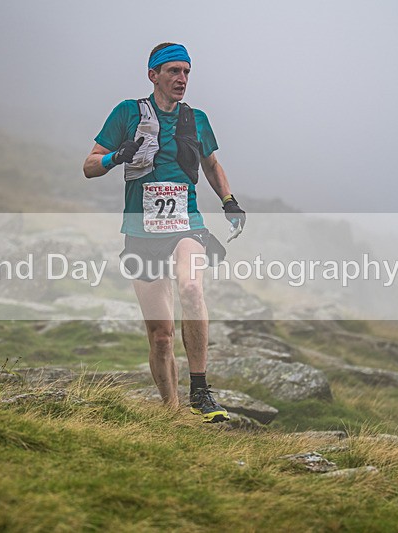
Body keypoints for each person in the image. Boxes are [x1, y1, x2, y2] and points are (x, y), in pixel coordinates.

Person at [83, 42, 246, 423]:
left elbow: (211, 163)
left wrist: (229, 200)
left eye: (187, 72)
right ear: (153, 75)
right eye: (174, 71)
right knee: (160, 336)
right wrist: (115, 157)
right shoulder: (127, 113)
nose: (182, 79)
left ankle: (201, 390)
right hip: (141, 232)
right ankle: (171, 412)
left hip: (186, 224)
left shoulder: (197, 119)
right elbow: (89, 166)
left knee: (191, 289)